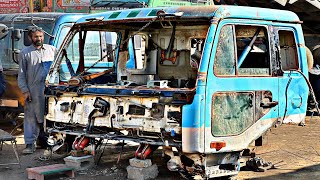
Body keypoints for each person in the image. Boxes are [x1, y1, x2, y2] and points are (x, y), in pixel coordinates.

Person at [18, 27, 56, 154]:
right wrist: (25, 91)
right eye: (36, 37)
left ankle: (47, 142)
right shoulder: (25, 53)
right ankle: (29, 144)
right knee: (31, 117)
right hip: (33, 90)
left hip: (50, 90)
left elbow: (58, 69)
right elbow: (21, 74)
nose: (38, 39)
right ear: (30, 38)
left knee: (49, 116)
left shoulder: (52, 50)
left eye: (40, 36)